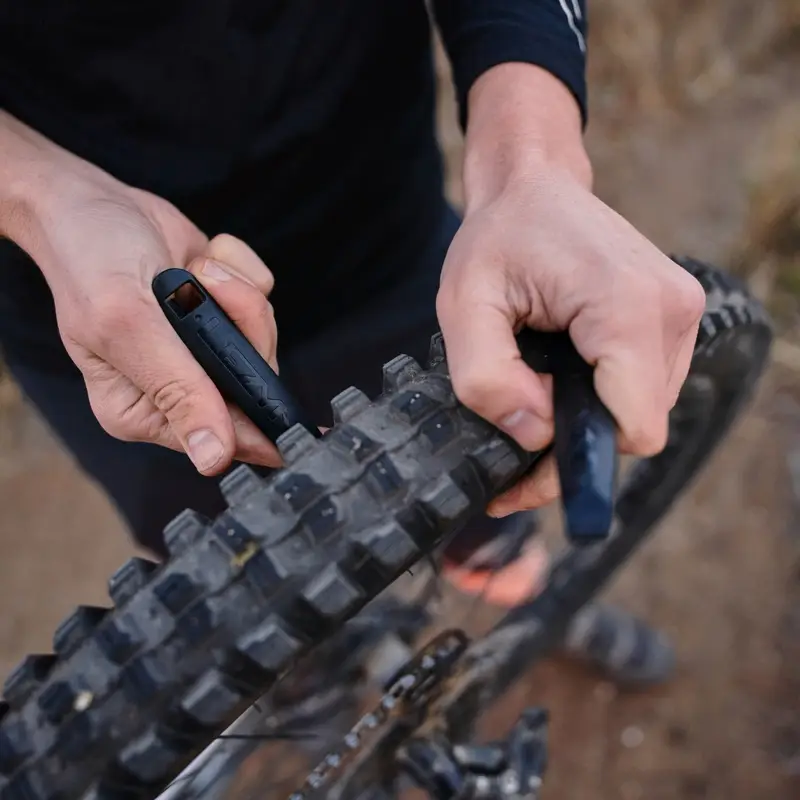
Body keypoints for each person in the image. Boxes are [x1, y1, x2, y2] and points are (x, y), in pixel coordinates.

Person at [0, 2, 704, 686]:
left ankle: (533, 603)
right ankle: (344, 682)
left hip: (378, 221)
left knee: (486, 495)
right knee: (257, 586)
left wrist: (533, 163)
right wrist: (39, 199)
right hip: (99, 300)